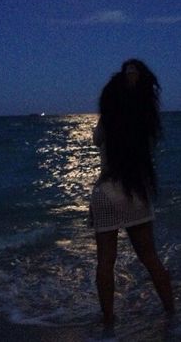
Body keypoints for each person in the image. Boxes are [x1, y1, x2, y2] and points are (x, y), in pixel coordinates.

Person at [88, 59, 174, 337]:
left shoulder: (109, 117)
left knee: (105, 261)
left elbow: (97, 139)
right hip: (134, 192)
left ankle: (109, 323)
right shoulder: (145, 120)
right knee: (150, 258)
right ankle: (172, 314)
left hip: (106, 191)